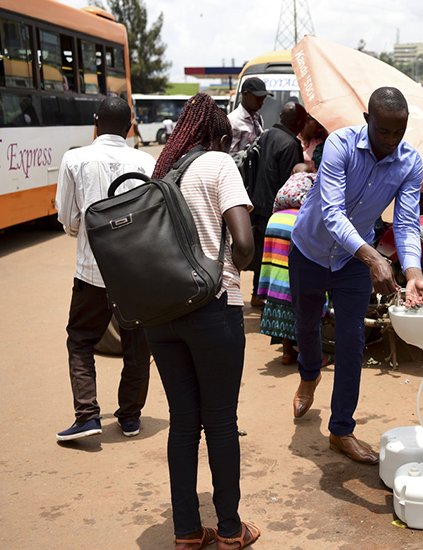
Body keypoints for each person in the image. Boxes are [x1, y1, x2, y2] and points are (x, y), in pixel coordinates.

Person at [289, 87, 423, 464]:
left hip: (352, 263)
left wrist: (413, 271)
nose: (390, 141)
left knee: (352, 342)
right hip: (310, 249)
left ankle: (341, 430)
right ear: (368, 121)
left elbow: (405, 222)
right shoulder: (340, 145)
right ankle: (309, 374)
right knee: (306, 325)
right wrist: (373, 259)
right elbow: (332, 213)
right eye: (383, 131)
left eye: (398, 133)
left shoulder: (410, 162)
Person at [147, 94, 260, 550]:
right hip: (213, 307)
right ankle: (231, 530)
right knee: (219, 420)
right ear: (217, 136)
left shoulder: (163, 171)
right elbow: (245, 242)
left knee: (182, 422)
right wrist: (230, 262)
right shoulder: (218, 165)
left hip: (161, 314)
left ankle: (187, 531)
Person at [54, 96, 153, 442]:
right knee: (137, 344)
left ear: (95, 124)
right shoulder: (146, 161)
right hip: (138, 274)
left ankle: (87, 415)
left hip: (92, 270)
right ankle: (129, 417)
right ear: (129, 127)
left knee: (80, 339)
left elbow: (67, 218)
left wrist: (84, 233)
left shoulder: (75, 159)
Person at [248, 101, 308, 307]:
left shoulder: (267, 135)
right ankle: (276, 299)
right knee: (280, 256)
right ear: (299, 122)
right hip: (278, 209)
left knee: (263, 252)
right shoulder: (290, 145)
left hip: (258, 203)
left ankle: (258, 293)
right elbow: (291, 184)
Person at [257, 163, 316, 365]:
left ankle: (287, 351)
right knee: (297, 291)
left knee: (280, 286)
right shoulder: (310, 187)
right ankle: (307, 352)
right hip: (296, 223)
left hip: (276, 223)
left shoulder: (281, 201)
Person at [227, 77, 269, 153]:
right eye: (258, 99)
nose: (262, 103)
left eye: (263, 98)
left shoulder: (258, 118)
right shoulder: (233, 121)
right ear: (245, 94)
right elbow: (231, 156)